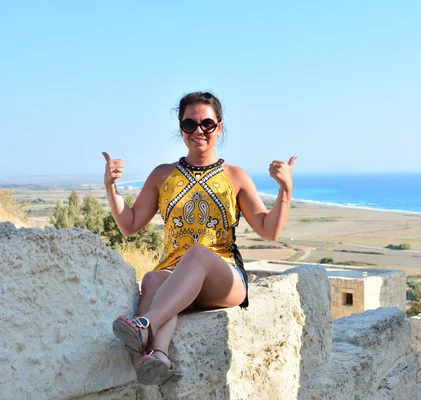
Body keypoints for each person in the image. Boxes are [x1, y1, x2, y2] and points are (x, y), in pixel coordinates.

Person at [103, 91, 296, 385]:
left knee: (196, 254)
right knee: (154, 279)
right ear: (181, 129)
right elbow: (130, 225)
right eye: (189, 124)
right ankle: (159, 357)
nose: (198, 131)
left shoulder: (235, 176)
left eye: (206, 124)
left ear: (219, 127)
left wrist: (285, 191)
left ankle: (145, 325)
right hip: (177, 277)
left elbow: (269, 230)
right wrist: (111, 188)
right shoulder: (161, 175)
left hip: (224, 278)